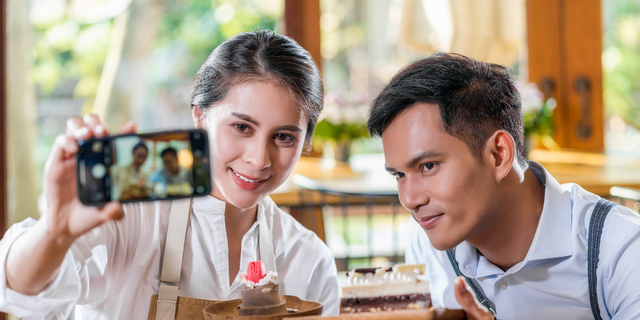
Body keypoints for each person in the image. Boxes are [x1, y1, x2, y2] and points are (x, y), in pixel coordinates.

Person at [0, 30, 338, 319]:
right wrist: (55, 231)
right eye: (241, 127)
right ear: (199, 115)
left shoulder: (308, 260)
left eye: (283, 137)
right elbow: (19, 289)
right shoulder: (128, 219)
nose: (258, 159)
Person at [367, 53, 640, 319]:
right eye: (399, 175)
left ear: (499, 155)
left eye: (428, 166)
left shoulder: (621, 251)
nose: (410, 200)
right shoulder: (424, 241)